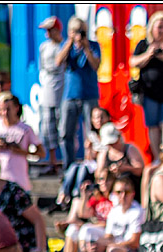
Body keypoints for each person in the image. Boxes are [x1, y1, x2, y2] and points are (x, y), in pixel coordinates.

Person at [129, 10, 163, 156]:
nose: (162, 30)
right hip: (150, 94)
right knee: (153, 126)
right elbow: (133, 62)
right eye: (159, 27)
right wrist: (148, 54)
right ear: (152, 28)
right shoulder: (144, 44)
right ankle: (157, 158)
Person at [58, 16, 101, 166]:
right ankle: (68, 166)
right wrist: (70, 42)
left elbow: (96, 65)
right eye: (75, 31)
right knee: (65, 132)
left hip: (89, 94)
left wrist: (86, 48)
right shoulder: (66, 45)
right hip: (70, 95)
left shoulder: (93, 46)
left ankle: (92, 164)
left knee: (92, 132)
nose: (79, 34)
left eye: (81, 31)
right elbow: (58, 62)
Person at [0, 93, 43, 192]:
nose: (5, 113)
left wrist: (22, 152)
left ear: (16, 108)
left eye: (8, 109)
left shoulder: (25, 129)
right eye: (1, 110)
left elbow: (41, 153)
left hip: (20, 181)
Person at [57, 168, 113, 252]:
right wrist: (85, 196)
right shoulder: (98, 197)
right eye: (101, 179)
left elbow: (112, 224)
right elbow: (83, 214)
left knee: (86, 229)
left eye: (108, 179)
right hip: (95, 230)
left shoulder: (114, 198)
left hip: (108, 232)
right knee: (72, 229)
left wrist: (90, 225)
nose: (104, 182)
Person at [55, 106, 110, 210]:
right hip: (92, 165)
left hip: (103, 166)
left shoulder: (110, 133)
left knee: (83, 169)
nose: (99, 120)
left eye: (101, 117)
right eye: (96, 118)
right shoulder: (92, 135)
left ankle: (76, 193)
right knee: (74, 166)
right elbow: (88, 159)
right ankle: (63, 193)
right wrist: (88, 150)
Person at [36, 16, 66, 175]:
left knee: (62, 127)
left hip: (60, 91)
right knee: (48, 127)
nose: (47, 34)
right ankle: (52, 161)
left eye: (50, 30)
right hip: (46, 90)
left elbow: (60, 64)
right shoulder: (44, 47)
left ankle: (64, 161)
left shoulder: (63, 47)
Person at [95, 122, 144, 195]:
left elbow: (140, 170)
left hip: (132, 191)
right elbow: (98, 175)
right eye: (109, 144)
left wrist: (126, 168)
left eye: (114, 142)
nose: (112, 146)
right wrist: (109, 172)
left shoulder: (130, 149)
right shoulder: (103, 154)